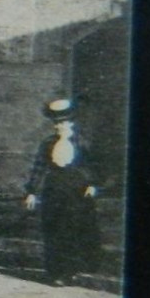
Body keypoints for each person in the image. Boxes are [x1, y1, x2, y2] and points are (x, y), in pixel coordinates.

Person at [24, 97, 101, 284]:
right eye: (56, 123)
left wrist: (91, 184)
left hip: (75, 189)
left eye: (64, 122)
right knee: (52, 229)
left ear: (71, 123)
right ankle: (54, 271)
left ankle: (68, 272)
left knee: (71, 229)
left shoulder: (81, 142)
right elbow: (39, 168)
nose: (60, 126)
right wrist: (32, 192)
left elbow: (92, 165)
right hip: (53, 188)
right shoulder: (47, 143)